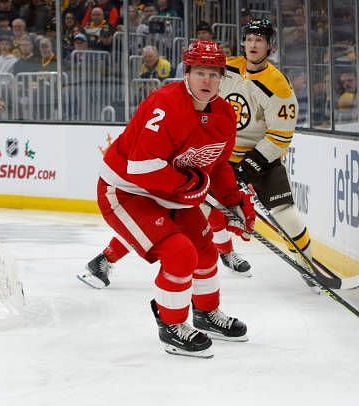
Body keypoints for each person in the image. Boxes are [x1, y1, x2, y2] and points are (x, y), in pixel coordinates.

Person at [80, 40, 254, 358]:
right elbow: (142, 167)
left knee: (205, 253)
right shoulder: (165, 104)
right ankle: (172, 325)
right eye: (200, 72)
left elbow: (217, 166)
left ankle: (206, 314)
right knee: (180, 253)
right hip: (127, 192)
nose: (207, 81)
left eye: (214, 74)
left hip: (170, 195)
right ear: (186, 73)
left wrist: (233, 202)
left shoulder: (224, 115)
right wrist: (189, 183)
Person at [211, 19, 316, 291]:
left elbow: (281, 135)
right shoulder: (227, 67)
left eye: (260, 39)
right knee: (206, 206)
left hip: (261, 157)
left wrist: (250, 166)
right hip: (222, 155)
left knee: (286, 214)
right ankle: (226, 252)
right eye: (249, 39)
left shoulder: (278, 85)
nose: (253, 44)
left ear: (270, 45)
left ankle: (308, 264)